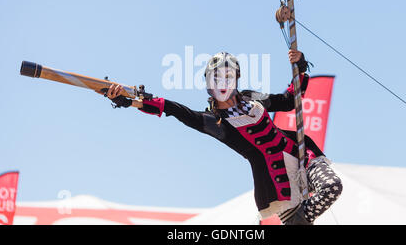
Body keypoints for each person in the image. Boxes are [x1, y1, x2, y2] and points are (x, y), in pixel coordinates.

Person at [97, 49, 342, 225]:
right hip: (279, 187)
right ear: (208, 83)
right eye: (217, 77)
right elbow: (173, 109)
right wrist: (129, 101)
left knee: (332, 186)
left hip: (302, 158)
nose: (223, 82)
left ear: (235, 80)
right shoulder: (213, 121)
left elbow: (289, 101)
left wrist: (299, 66)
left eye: (228, 77)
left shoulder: (251, 98)